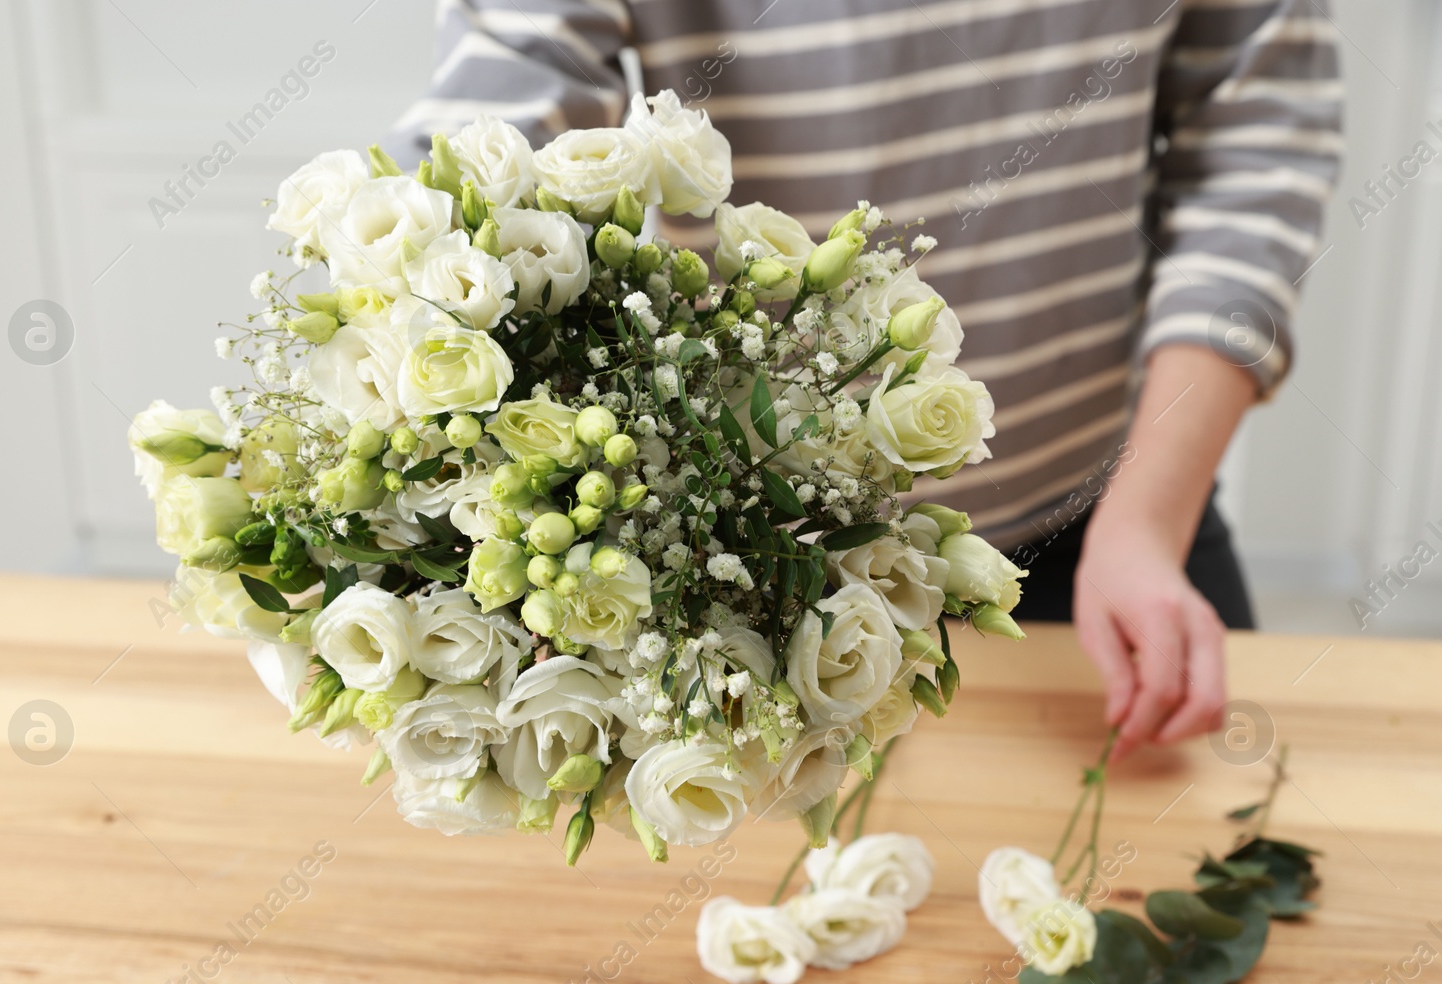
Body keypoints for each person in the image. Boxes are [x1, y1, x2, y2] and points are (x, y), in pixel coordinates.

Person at [385, 0, 1341, 760]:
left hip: (1118, 531)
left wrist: (1146, 525)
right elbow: (494, 124)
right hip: (748, 578)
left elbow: (1257, 149)